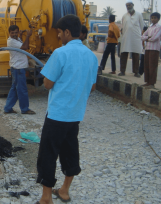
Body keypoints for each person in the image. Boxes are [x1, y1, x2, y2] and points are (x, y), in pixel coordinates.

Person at [36, 14, 98, 204]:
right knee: (70, 151)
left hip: (57, 115)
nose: (59, 36)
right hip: (75, 115)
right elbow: (92, 86)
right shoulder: (91, 56)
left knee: (48, 154)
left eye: (60, 33)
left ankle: (46, 197)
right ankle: (64, 190)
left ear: (68, 32)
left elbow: (47, 84)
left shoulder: (60, 53)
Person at [3, 25, 35, 115]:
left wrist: (20, 36)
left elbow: (20, 45)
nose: (14, 34)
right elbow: (25, 47)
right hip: (18, 68)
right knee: (22, 90)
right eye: (12, 33)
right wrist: (28, 35)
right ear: (9, 33)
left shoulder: (16, 39)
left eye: (16, 32)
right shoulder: (11, 41)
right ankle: (25, 109)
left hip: (17, 67)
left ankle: (8, 108)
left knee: (14, 89)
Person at [119, 0, 145, 77]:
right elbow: (123, 27)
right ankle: (122, 71)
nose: (128, 7)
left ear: (133, 5)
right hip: (126, 37)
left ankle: (136, 72)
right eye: (127, 5)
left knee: (136, 55)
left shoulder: (139, 14)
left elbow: (142, 26)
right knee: (123, 54)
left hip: (135, 38)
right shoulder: (124, 16)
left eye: (129, 5)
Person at [141, 12, 161, 89]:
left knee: (152, 66)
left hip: (154, 49)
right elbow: (142, 36)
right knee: (146, 65)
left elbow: (155, 38)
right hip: (147, 48)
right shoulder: (150, 27)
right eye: (152, 18)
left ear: (158, 19)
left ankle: (152, 83)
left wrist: (147, 38)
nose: (153, 19)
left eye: (155, 18)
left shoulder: (159, 27)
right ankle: (147, 81)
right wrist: (148, 38)